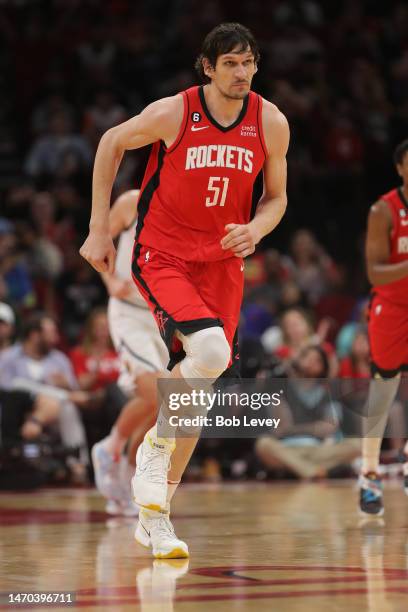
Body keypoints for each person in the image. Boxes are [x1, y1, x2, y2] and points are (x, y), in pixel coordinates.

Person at [80, 22, 289, 558]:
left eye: (249, 63)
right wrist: (100, 228)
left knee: (194, 399)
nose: (242, 73)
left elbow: (276, 198)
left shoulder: (270, 121)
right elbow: (110, 142)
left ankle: (156, 517)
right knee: (211, 353)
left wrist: (257, 229)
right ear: (208, 67)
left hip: (222, 262)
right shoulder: (176, 111)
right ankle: (149, 445)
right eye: (232, 64)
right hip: (164, 253)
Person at [91, 190, 168, 516]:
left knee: (167, 403)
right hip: (129, 310)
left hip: (164, 315)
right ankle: (109, 448)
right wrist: (110, 283)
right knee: (152, 389)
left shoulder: (188, 207)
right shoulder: (133, 201)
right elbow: (98, 246)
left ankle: (129, 472)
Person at [358, 139, 408, 516]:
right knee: (383, 391)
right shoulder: (384, 210)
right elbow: (374, 271)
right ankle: (369, 474)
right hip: (391, 307)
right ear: (401, 168)